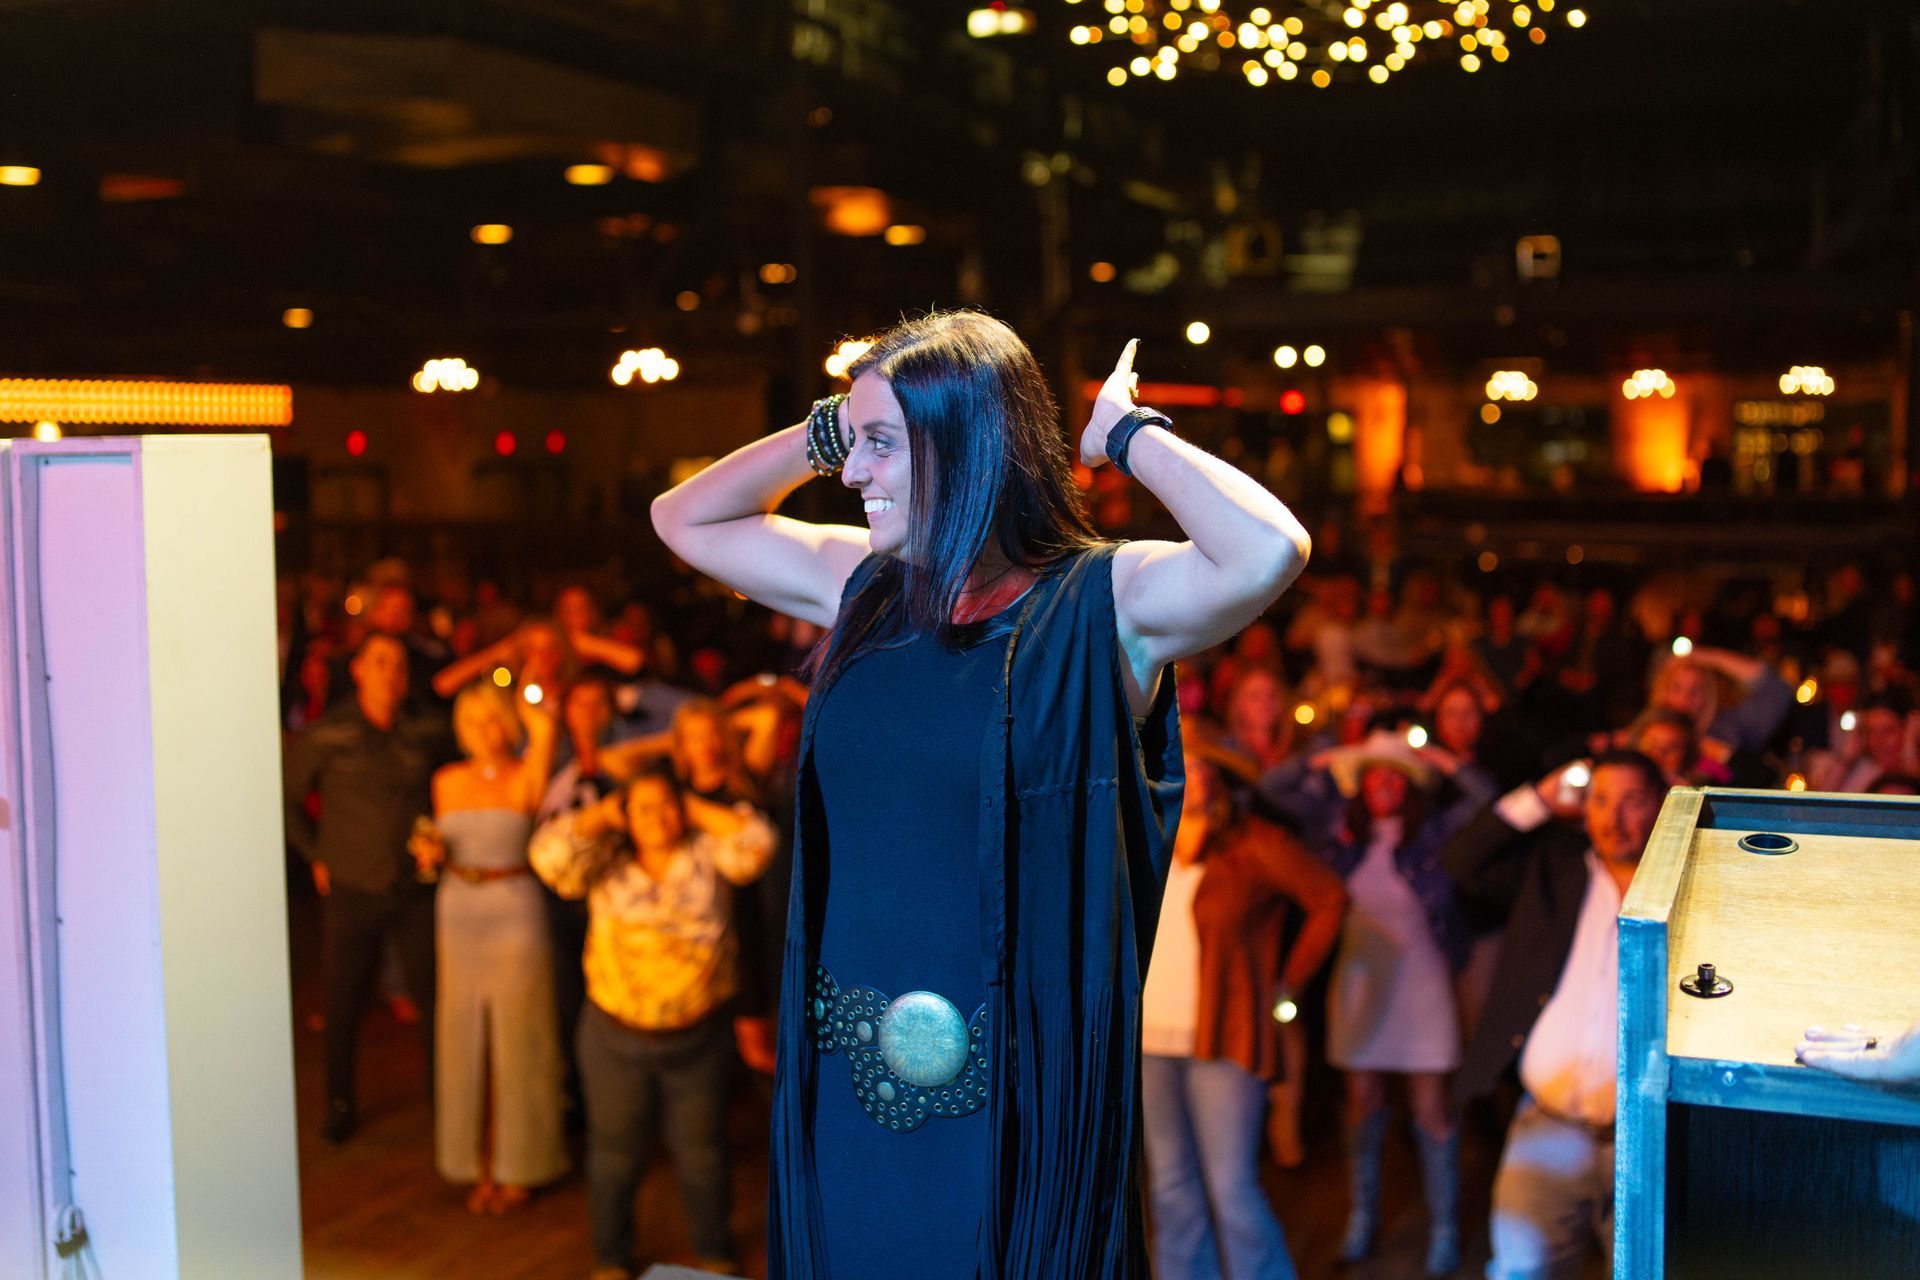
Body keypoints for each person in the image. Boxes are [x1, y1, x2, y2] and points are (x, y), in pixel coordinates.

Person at [650, 310, 1310, 1276]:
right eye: (853, 443)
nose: (851, 472)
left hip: (1017, 1103)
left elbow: (1267, 552)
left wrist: (1128, 437)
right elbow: (683, 517)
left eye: (881, 444)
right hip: (853, 1081)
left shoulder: (1102, 605)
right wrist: (829, 424)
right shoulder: (859, 586)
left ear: (968, 444)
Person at [1259, 728, 1496, 1277]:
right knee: (1361, 1104)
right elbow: (1275, 786)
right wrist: (1336, 754)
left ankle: (1442, 1231)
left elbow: (1483, 797)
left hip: (1424, 983)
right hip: (1359, 987)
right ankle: (1362, 1219)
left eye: (1395, 776)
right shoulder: (1338, 835)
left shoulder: (1433, 833)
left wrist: (1431, 755)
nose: (1383, 784)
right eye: (1373, 776)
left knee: (1432, 1108)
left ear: (1411, 786)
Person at [530, 763, 777, 1279]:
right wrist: (606, 813)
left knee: (704, 1155)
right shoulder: (600, 863)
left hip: (698, 1041)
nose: (654, 815)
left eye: (664, 803)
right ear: (624, 814)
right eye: (640, 806)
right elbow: (547, 853)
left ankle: (714, 1252)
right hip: (615, 1041)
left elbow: (759, 841)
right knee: (615, 1155)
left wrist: (690, 806)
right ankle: (611, 1259)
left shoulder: (710, 855)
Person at [1443, 750, 1670, 1280]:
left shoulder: (1685, 888)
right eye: (1600, 800)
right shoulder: (1555, 869)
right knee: (1520, 1269)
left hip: (1649, 1142)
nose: (1614, 819)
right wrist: (1541, 798)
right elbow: (1460, 861)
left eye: (1633, 800)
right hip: (1547, 1128)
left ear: (1662, 804)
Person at [1140, 747, 1347, 1279]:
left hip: (1225, 1037)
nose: (1194, 774)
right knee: (1168, 1186)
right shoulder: (1143, 835)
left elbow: (1328, 898)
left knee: (1231, 1187)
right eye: (1182, 761)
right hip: (1148, 1044)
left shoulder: (1254, 842)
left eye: (1205, 767)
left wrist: (1286, 982)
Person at [282, 632, 448, 1144]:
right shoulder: (328, 733)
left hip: (414, 889)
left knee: (431, 997)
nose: (389, 673)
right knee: (343, 1000)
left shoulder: (423, 733)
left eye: (398, 664)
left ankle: (444, 1103)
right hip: (353, 885)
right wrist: (317, 856)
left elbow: (449, 791)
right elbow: (286, 800)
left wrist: (438, 837)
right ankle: (339, 1103)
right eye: (379, 662)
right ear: (357, 670)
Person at [411, 683, 568, 1213]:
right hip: (457, 909)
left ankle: (520, 1165)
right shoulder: (445, 780)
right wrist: (428, 852)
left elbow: (546, 728)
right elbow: (433, 851)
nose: (486, 730)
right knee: (462, 1037)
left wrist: (530, 694)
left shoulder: (528, 773)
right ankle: (473, 1162)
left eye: (494, 718)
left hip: (515, 906)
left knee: (520, 1039)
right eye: (474, 720)